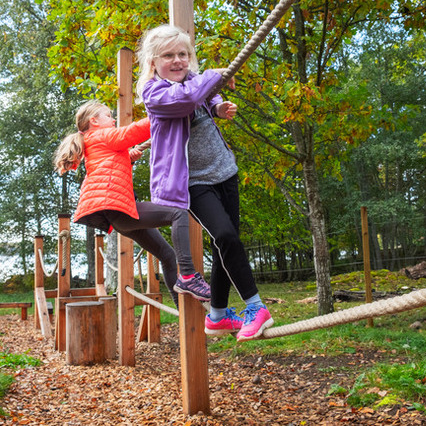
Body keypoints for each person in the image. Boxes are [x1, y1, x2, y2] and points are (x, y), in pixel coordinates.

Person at [136, 24, 274, 341]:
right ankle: (256, 306)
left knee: (227, 242)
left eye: (183, 54)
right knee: (225, 235)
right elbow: (185, 100)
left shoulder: (195, 82)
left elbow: (203, 95)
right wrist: (215, 76)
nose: (178, 60)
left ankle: (217, 315)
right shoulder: (154, 92)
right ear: (153, 62)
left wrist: (218, 105)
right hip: (192, 183)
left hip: (225, 171)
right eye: (169, 55)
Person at [53, 100, 211, 307]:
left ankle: (181, 309)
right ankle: (189, 276)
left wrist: (128, 158)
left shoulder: (94, 141)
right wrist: (164, 112)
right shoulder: (103, 135)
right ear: (94, 121)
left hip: (119, 215)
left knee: (167, 255)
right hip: (119, 210)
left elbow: (108, 165)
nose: (113, 119)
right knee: (178, 213)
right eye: (108, 116)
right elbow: (133, 131)